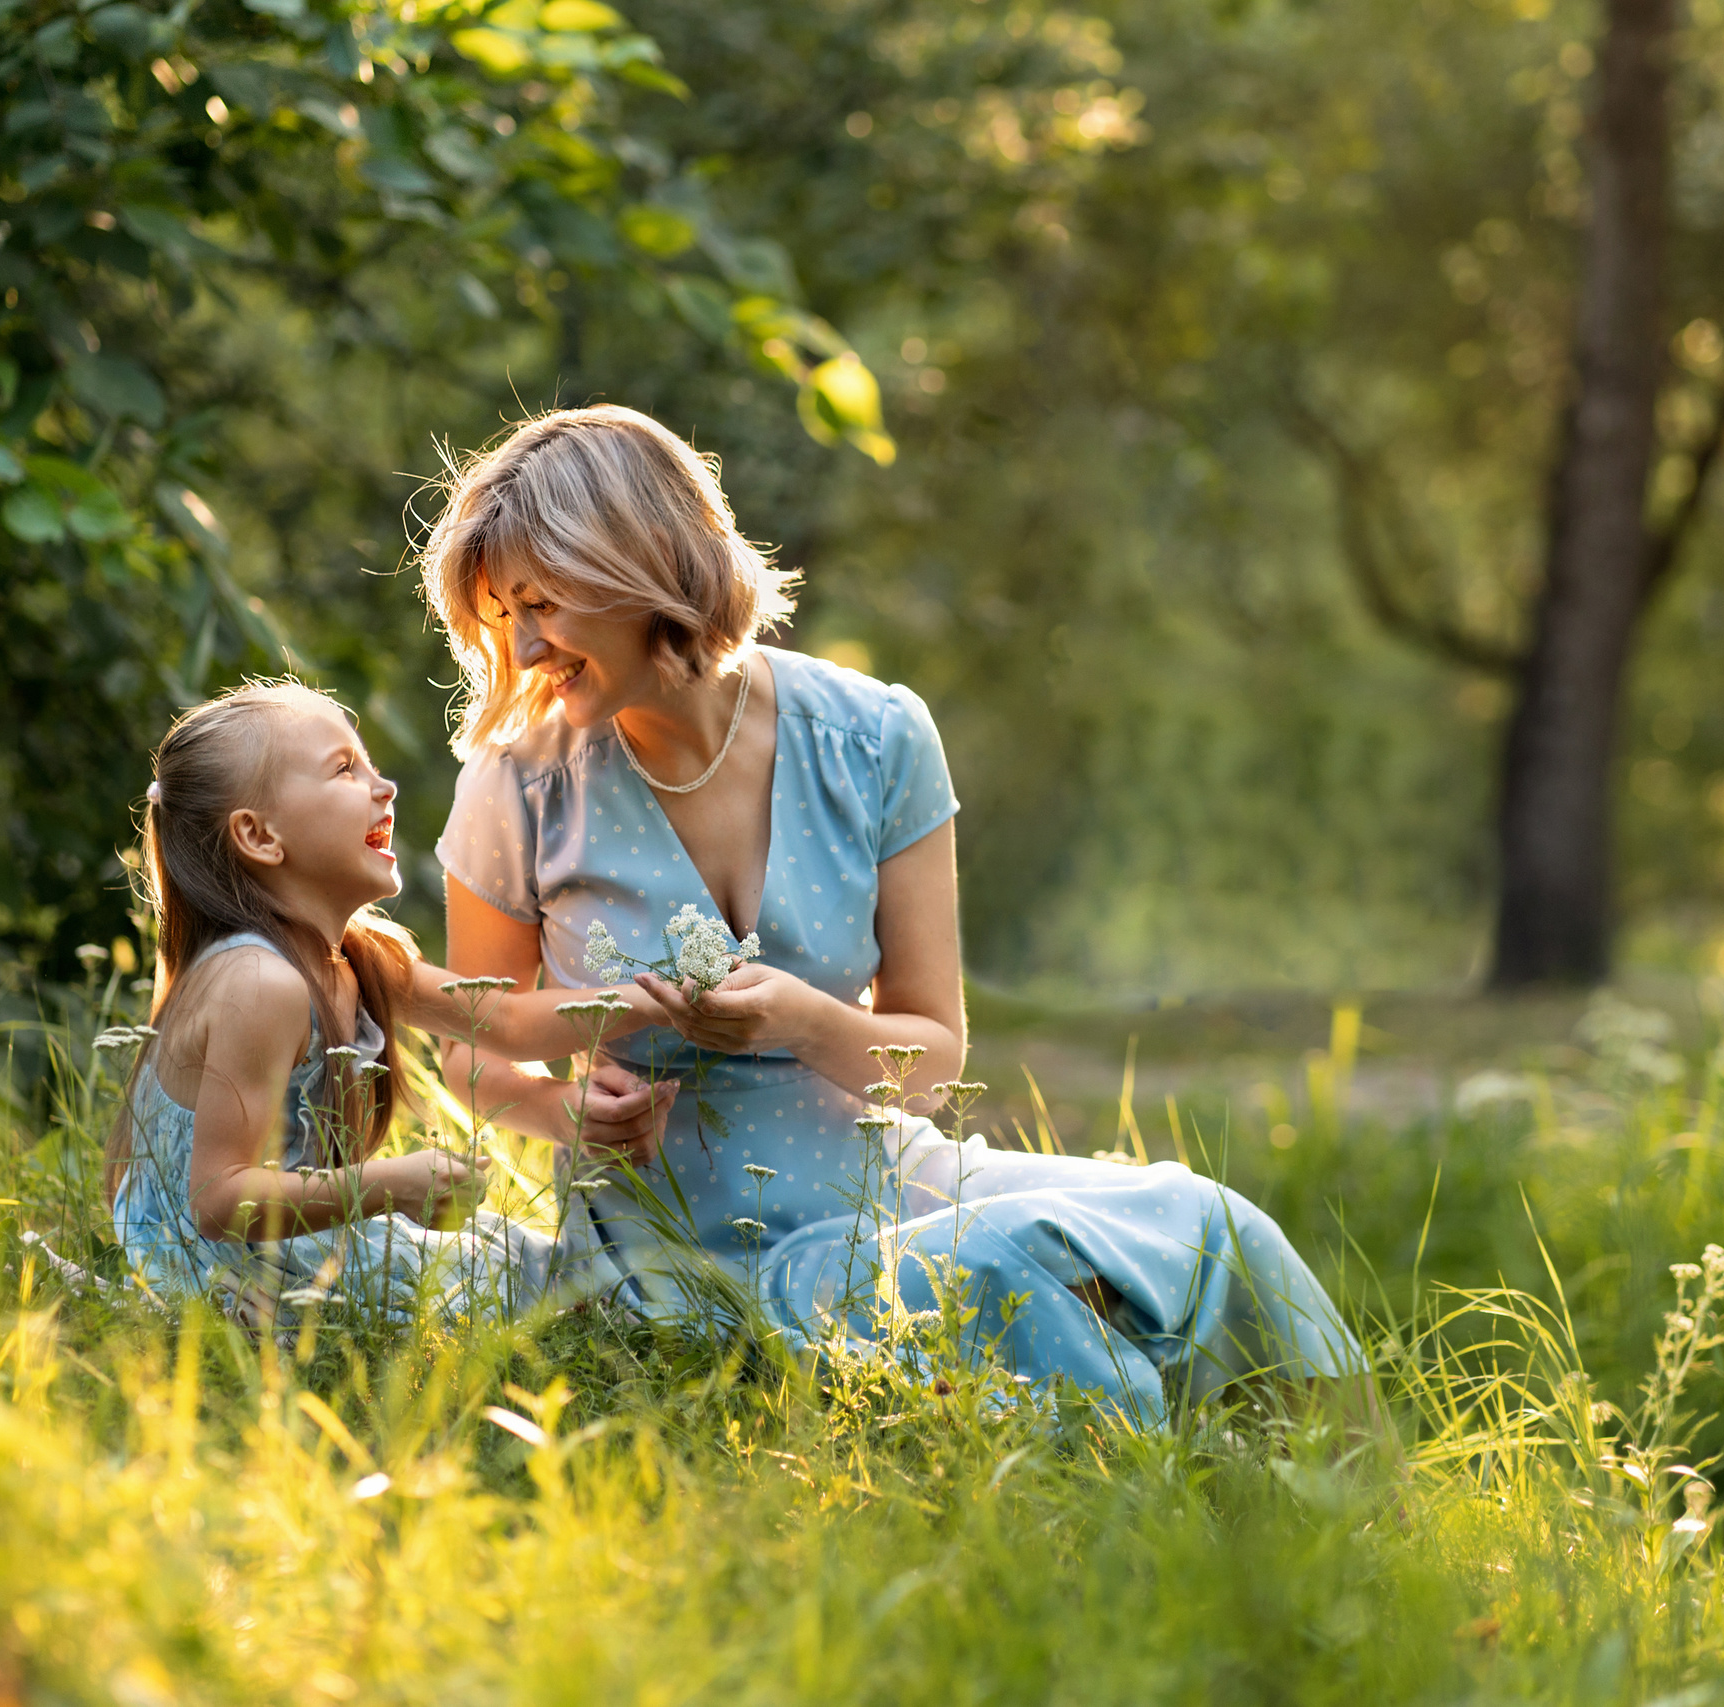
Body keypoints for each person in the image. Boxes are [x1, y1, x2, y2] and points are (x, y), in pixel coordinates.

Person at [421, 405, 1374, 1428]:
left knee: (1210, 1225)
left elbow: (932, 1060)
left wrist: (799, 1022)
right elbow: (476, 1053)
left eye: (540, 604)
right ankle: (1158, 1495)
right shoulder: (515, 783)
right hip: (672, 1243)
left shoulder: (874, 737)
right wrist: (570, 1117)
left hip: (884, 1189)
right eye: (500, 616)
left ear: (639, 564)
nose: (521, 647)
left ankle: (1363, 1519)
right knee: (1006, 1271)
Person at [105, 679, 648, 1323]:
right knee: (540, 1291)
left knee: (553, 1273)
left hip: (294, 1246)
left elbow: (503, 1021)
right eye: (343, 769)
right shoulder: (258, 981)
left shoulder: (361, 954)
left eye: (368, 764)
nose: (383, 786)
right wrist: (392, 1186)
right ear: (258, 836)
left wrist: (658, 999)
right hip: (221, 1271)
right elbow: (217, 1201)